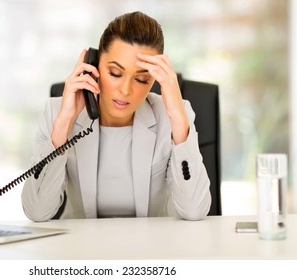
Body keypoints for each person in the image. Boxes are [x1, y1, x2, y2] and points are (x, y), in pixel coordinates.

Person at [22, 11, 211, 222]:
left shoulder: (171, 116)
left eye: (141, 79)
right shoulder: (56, 113)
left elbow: (194, 211)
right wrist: (64, 122)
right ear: (94, 66)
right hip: (81, 249)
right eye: (115, 73)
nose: (125, 90)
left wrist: (177, 113)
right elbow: (36, 212)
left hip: (153, 248)